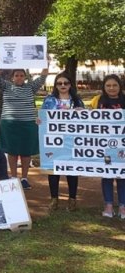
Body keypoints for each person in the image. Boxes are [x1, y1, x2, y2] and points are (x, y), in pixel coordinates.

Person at [0, 55, 48, 189]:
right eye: (16, 75)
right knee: (11, 151)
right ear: (12, 77)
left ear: (25, 77)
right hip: (9, 124)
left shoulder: (31, 87)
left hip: (28, 124)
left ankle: (24, 178)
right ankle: (13, 177)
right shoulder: (6, 86)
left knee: (25, 152)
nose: (19, 77)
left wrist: (46, 62)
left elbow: (43, 76)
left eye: (21, 75)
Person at [41, 72, 85, 212]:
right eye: (59, 83)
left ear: (70, 84)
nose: (63, 85)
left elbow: (87, 120)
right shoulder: (49, 100)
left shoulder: (77, 100)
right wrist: (40, 121)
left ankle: (72, 200)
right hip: (54, 141)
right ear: (55, 86)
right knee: (53, 170)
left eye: (65, 83)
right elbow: (43, 116)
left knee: (72, 169)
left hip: (72, 141)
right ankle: (54, 199)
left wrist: (82, 112)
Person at [90, 74, 125, 219]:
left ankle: (123, 207)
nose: (111, 88)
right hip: (104, 145)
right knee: (107, 174)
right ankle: (109, 205)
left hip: (122, 145)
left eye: (115, 85)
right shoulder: (97, 100)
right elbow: (88, 118)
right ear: (104, 87)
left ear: (120, 87)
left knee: (123, 176)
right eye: (108, 85)